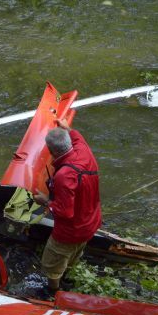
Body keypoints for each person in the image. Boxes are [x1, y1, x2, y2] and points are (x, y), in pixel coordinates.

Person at [33, 118, 101, 296]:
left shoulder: (63, 176)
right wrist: (66, 127)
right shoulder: (83, 150)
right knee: (73, 255)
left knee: (51, 265)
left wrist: (45, 201)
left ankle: (52, 293)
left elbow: (65, 212)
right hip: (91, 222)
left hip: (71, 231)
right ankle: (67, 278)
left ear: (52, 151)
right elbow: (76, 136)